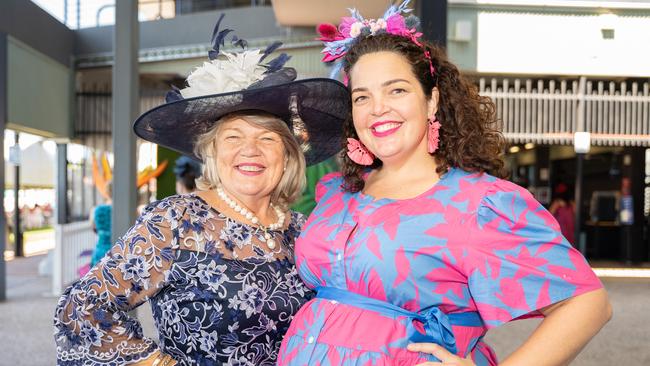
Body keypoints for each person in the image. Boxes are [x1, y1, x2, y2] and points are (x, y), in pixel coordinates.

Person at [279, 2, 611, 365]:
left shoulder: (478, 204)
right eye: (362, 97)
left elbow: (587, 303)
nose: (377, 108)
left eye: (397, 91)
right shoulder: (338, 194)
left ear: (431, 100)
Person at [53, 15, 349, 366]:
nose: (250, 150)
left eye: (267, 139)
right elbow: (81, 309)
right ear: (212, 152)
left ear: (287, 157)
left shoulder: (304, 229)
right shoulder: (176, 221)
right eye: (234, 137)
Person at [90, 181, 112, 267]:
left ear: (106, 192)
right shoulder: (129, 212)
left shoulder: (96, 210)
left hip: (101, 252)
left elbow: (94, 228)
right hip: (121, 254)